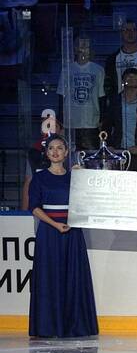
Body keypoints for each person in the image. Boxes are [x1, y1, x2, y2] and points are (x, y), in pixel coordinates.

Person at [27, 135, 98, 338]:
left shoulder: (75, 176)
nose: (55, 152)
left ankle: (74, 326)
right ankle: (49, 326)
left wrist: (82, 176)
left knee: (73, 277)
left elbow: (89, 200)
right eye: (51, 148)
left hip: (72, 232)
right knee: (50, 278)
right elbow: (34, 207)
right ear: (47, 153)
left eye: (60, 148)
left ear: (67, 152)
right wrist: (55, 224)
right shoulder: (39, 178)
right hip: (49, 233)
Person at [102, 66, 137, 170]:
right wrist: (108, 144)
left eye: (133, 77)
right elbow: (107, 125)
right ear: (123, 81)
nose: (130, 79)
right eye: (127, 77)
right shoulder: (114, 101)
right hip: (117, 151)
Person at [59, 37, 104, 151]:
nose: (83, 49)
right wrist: (61, 121)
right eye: (81, 46)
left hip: (91, 123)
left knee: (91, 156)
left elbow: (102, 97)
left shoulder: (98, 70)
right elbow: (61, 96)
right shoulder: (67, 70)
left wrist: (102, 119)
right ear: (75, 49)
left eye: (86, 46)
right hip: (71, 123)